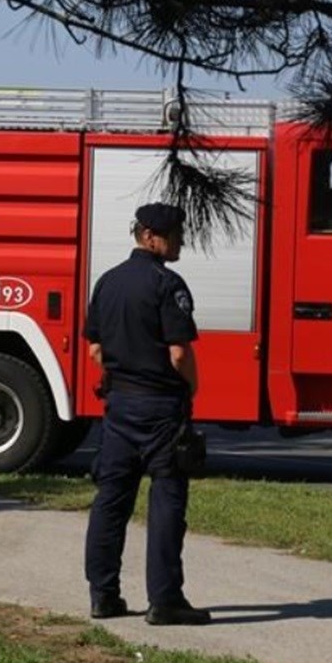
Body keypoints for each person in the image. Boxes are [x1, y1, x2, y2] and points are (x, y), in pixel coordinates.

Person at [83, 202, 211, 626]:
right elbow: (178, 353)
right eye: (174, 234)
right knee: (167, 501)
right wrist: (191, 386)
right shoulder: (167, 284)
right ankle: (165, 600)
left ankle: (103, 596)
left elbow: (95, 349)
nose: (180, 241)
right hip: (161, 409)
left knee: (111, 501)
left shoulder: (107, 282)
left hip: (119, 407)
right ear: (150, 236)